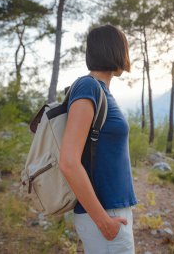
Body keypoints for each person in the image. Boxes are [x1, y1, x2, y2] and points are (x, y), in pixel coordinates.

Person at [59, 24, 138, 254]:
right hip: (104, 214)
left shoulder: (101, 90)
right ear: (114, 50)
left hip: (113, 211)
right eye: (124, 48)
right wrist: (103, 221)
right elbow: (69, 162)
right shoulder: (88, 86)